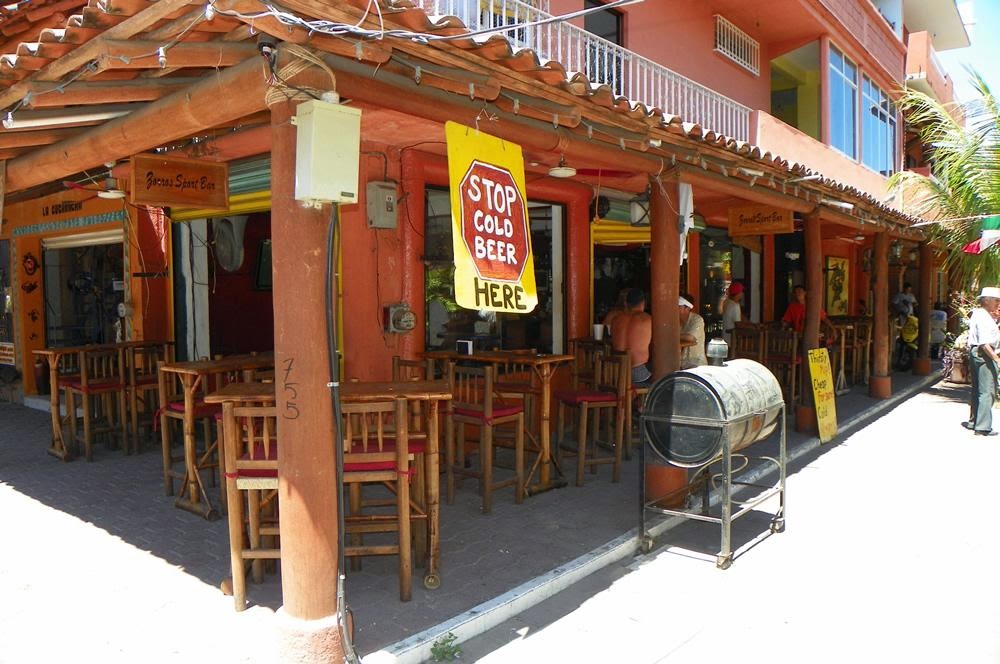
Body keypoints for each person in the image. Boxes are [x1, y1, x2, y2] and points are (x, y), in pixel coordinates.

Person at [962, 287, 1000, 436]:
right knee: (987, 391)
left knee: (978, 389)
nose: (998, 304)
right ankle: (983, 426)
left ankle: (974, 421)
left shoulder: (980, 314)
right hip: (984, 354)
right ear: (986, 301)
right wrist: (996, 359)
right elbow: (984, 343)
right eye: (996, 300)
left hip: (977, 352)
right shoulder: (984, 317)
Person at [610, 288, 652, 386]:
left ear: (626, 303)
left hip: (617, 371)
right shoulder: (648, 319)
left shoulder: (616, 319)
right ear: (643, 303)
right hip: (639, 373)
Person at [678, 293, 706, 369]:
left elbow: (690, 337)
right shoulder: (676, 320)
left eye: (678, 306)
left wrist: (671, 335)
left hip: (696, 363)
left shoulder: (697, 319)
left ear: (687, 308)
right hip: (681, 363)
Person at [721, 281, 743, 346]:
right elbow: (738, 324)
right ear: (738, 293)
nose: (742, 293)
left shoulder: (727, 302)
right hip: (732, 340)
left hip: (725, 338)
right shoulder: (735, 306)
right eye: (741, 291)